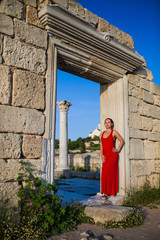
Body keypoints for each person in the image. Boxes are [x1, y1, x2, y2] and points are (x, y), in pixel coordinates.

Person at [101, 118, 124, 200]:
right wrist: (102, 155)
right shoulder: (102, 133)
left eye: (109, 122)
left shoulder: (114, 132)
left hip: (112, 156)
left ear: (111, 124)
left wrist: (117, 149)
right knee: (104, 173)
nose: (107, 124)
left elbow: (121, 140)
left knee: (111, 174)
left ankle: (111, 193)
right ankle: (105, 192)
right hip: (105, 156)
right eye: (106, 122)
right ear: (104, 124)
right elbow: (102, 146)